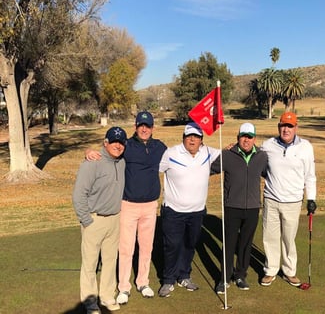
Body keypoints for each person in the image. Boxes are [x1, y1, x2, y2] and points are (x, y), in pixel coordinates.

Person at [86, 111, 167, 304]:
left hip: (150, 206)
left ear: (153, 128)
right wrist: (87, 151)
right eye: (141, 125)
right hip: (128, 205)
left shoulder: (160, 147)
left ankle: (143, 282)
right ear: (136, 127)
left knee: (147, 247)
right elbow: (106, 150)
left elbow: (180, 155)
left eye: (147, 126)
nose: (144, 129)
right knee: (126, 248)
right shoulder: (127, 146)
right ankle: (124, 286)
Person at [157, 122, 221, 298]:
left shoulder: (208, 152)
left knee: (189, 244)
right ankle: (168, 280)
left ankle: (184, 275)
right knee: (172, 245)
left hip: (197, 211)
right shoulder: (171, 153)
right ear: (183, 138)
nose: (192, 139)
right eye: (189, 136)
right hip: (173, 210)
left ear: (202, 140)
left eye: (196, 136)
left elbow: (229, 155)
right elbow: (153, 170)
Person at [73, 126, 127, 314]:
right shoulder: (92, 162)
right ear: (105, 143)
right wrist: (86, 220)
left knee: (110, 261)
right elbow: (79, 194)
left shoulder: (121, 162)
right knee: (90, 263)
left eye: (121, 143)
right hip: (94, 220)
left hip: (114, 219)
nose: (117, 146)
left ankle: (106, 296)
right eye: (114, 141)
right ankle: (90, 302)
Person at [260, 112, 317, 288]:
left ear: (296, 128)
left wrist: (311, 199)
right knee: (270, 237)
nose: (286, 129)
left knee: (288, 238)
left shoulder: (305, 147)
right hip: (271, 199)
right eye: (283, 126)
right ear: (279, 127)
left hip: (293, 201)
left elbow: (310, 176)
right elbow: (259, 165)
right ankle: (270, 271)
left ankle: (289, 272)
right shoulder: (268, 145)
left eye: (290, 126)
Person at [210, 123, 268, 294]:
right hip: (232, 206)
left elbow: (270, 173)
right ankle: (224, 279)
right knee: (229, 243)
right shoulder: (228, 154)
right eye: (243, 136)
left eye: (250, 137)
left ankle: (241, 275)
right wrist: (220, 151)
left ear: (254, 139)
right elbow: (208, 168)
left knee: (245, 244)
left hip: (252, 207)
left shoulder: (262, 157)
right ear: (238, 137)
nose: (246, 140)